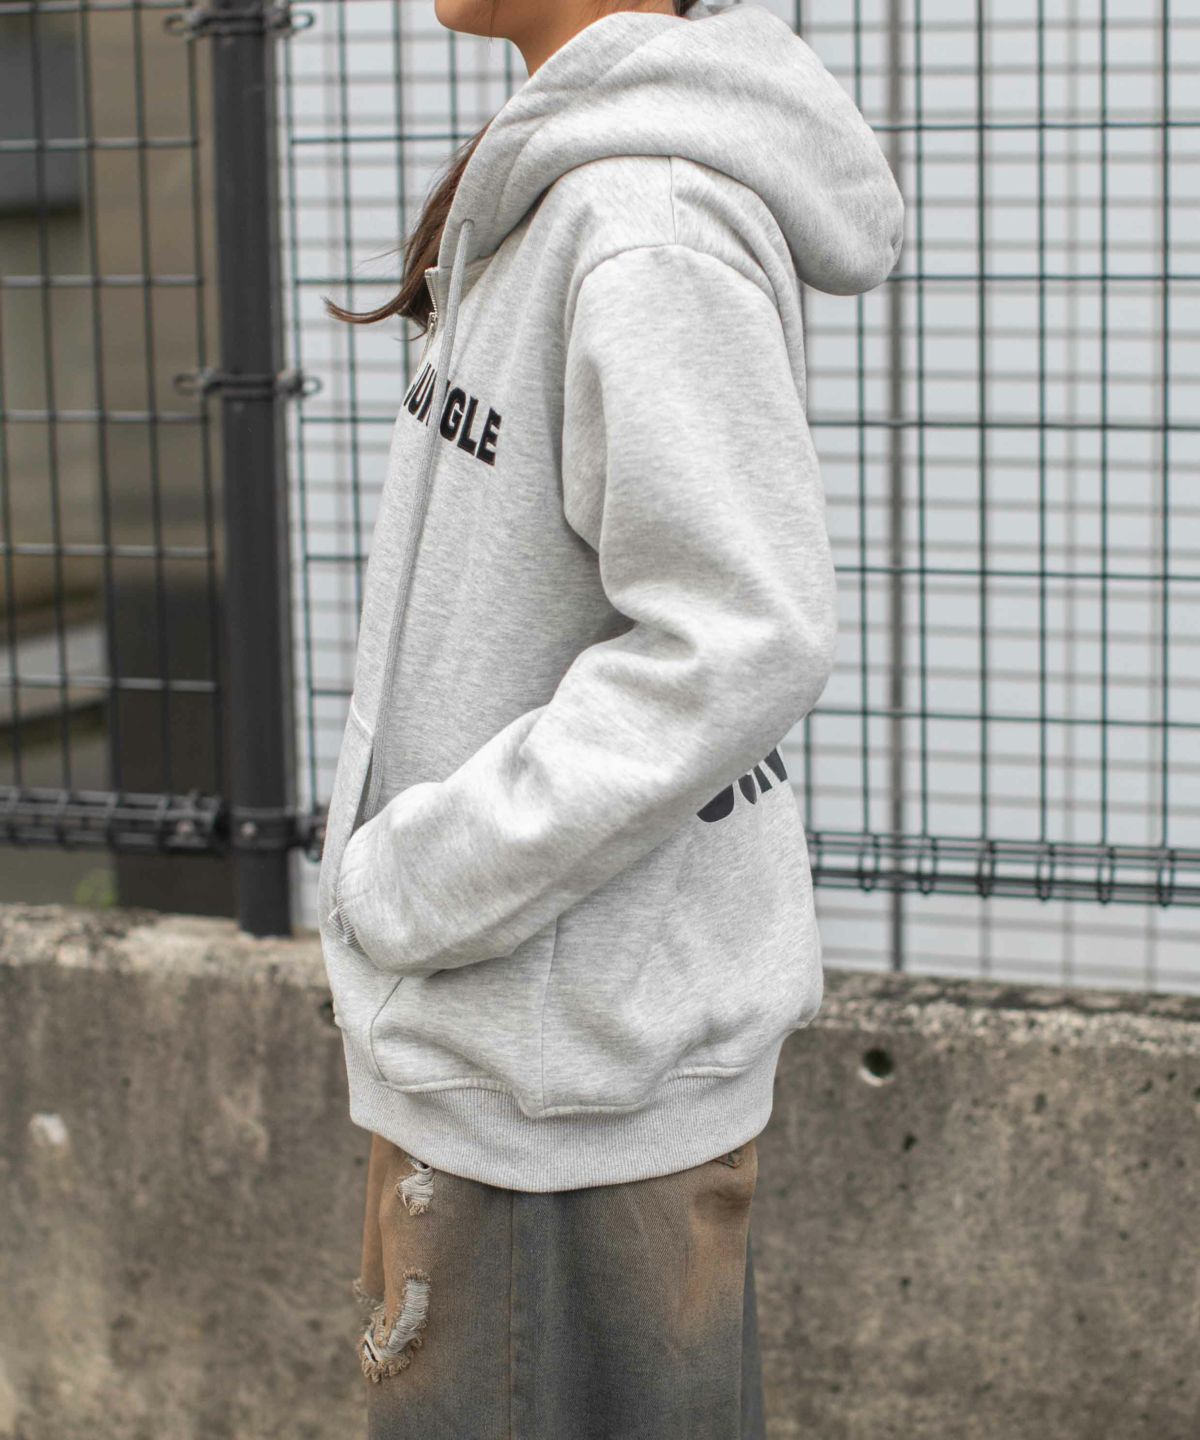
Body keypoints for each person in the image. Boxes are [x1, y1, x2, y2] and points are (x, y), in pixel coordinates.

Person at [318, 1, 903, 1434]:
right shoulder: (563, 182)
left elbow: (738, 637)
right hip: (522, 1051)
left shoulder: (642, 225)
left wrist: (419, 880)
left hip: (564, 1085)